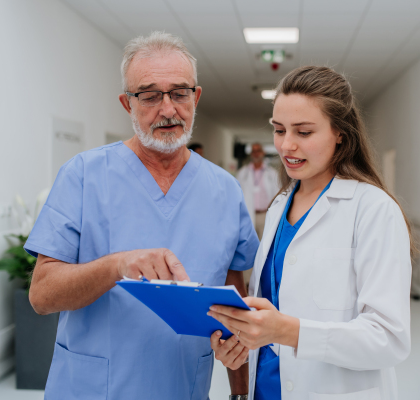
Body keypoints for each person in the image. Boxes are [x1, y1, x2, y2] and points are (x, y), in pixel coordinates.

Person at [25, 31, 258, 400]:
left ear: (195, 98)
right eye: (149, 96)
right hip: (91, 389)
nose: (167, 110)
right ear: (127, 104)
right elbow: (42, 295)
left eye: (179, 93)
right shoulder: (83, 175)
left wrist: (240, 391)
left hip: (184, 387)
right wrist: (118, 265)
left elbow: (236, 296)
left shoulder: (225, 190)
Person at [207, 66, 413, 400]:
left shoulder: (373, 209)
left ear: (340, 134)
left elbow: (389, 339)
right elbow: (271, 307)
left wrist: (287, 331)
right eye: (279, 130)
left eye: (303, 132)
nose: (286, 145)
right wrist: (244, 339)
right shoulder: (279, 206)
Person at [237, 143, 279, 239]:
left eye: (258, 150)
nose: (256, 153)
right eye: (253, 151)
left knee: (265, 243)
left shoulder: (272, 173)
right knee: (249, 243)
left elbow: (278, 194)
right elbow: (237, 195)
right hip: (248, 214)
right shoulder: (243, 173)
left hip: (265, 215)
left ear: (263, 153)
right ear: (251, 154)